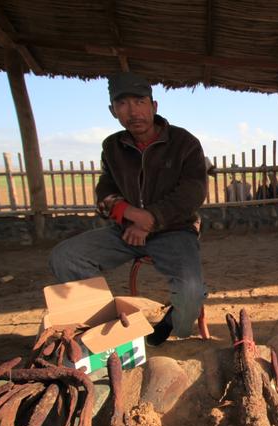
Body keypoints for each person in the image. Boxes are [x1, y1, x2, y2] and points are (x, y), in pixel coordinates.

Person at [49, 72, 208, 346]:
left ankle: (175, 326)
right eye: (122, 104)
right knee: (65, 257)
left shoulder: (184, 142)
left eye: (140, 101)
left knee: (192, 290)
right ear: (113, 111)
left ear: (154, 106)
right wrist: (133, 216)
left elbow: (192, 194)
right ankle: (106, 330)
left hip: (174, 231)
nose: (133, 111)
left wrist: (151, 219)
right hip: (125, 232)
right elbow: (105, 192)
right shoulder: (112, 146)